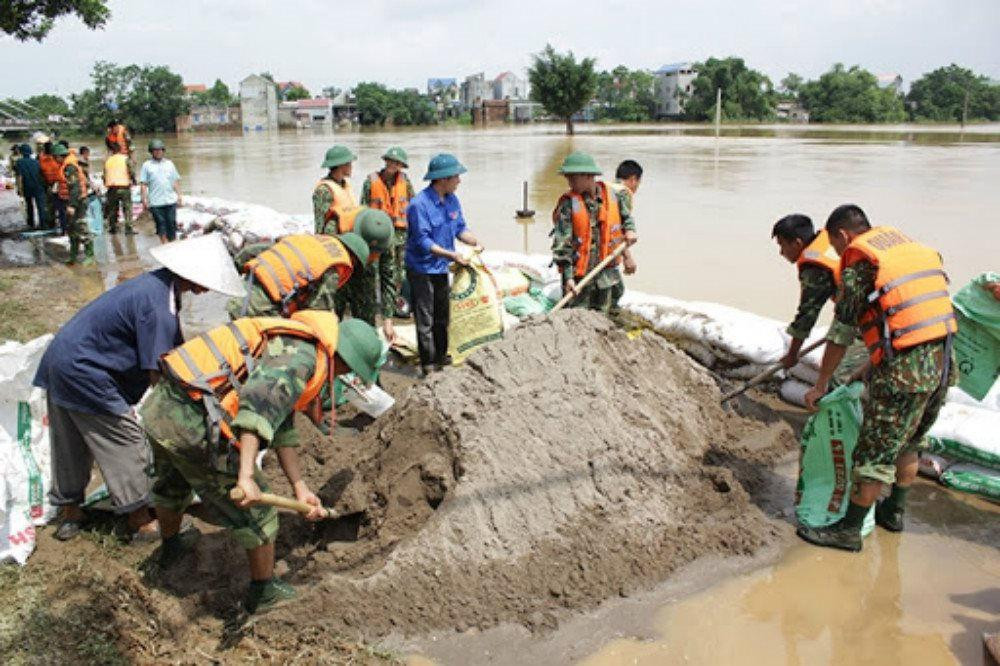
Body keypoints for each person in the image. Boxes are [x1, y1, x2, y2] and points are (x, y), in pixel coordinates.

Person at [141, 313, 382, 613]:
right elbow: (257, 410)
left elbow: (281, 427)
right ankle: (264, 592)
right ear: (344, 360)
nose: (342, 377)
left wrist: (300, 487)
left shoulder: (297, 340)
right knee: (261, 516)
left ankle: (172, 546)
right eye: (347, 370)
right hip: (193, 424)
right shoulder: (301, 360)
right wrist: (245, 476)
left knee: (173, 484)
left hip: (162, 408)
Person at [33, 233, 246, 542]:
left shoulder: (156, 287)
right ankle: (140, 521)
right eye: (207, 281)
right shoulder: (158, 306)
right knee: (127, 442)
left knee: (70, 443)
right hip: (87, 372)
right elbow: (159, 372)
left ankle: (71, 513)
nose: (207, 289)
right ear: (192, 275)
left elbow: (177, 350)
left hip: (60, 361)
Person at [799, 205, 957, 552]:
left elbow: (841, 333)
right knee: (910, 440)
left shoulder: (860, 266)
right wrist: (868, 368)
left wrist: (821, 384)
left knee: (874, 451)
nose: (839, 256)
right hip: (942, 363)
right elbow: (907, 319)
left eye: (838, 248)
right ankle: (894, 512)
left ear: (843, 235)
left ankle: (848, 531)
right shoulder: (909, 250)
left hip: (904, 374)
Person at [405, 153, 483, 375]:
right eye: (456, 176)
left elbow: (459, 228)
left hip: (441, 268)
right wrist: (452, 256)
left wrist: (474, 241)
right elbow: (422, 242)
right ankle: (428, 364)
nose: (459, 181)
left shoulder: (452, 200)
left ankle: (442, 357)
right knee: (426, 317)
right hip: (421, 268)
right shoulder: (419, 205)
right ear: (442, 179)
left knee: (443, 315)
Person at [551, 152, 637, 313]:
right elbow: (562, 245)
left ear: (588, 176)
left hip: (607, 274)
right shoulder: (569, 204)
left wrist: (630, 238)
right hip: (579, 279)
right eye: (567, 177)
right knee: (577, 318)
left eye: (573, 178)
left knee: (608, 316)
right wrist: (568, 278)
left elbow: (625, 222)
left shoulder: (613, 196)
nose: (569, 182)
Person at [225, 231, 370, 319]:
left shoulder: (310, 240)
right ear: (354, 260)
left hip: (241, 293)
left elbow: (252, 250)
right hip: (260, 310)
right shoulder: (335, 266)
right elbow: (317, 310)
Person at [771, 214, 841, 369]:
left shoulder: (814, 268)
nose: (781, 252)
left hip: (871, 316)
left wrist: (792, 355)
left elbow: (807, 315)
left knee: (838, 376)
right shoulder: (829, 243)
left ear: (797, 243)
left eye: (782, 245)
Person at [361, 146, 415, 317]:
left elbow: (414, 207)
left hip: (400, 235)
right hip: (378, 235)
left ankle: (397, 304)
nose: (394, 165)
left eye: (398, 163)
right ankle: (378, 305)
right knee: (377, 271)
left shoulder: (405, 182)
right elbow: (362, 209)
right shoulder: (371, 181)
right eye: (392, 161)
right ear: (385, 161)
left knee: (399, 272)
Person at [333, 209, 396, 341]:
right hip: (338, 274)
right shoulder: (336, 229)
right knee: (331, 328)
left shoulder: (384, 236)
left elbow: (388, 276)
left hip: (365, 275)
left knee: (367, 332)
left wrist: (387, 319)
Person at [609, 159, 643, 312]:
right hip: (607, 249)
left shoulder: (607, 188)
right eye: (638, 182)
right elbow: (618, 228)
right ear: (633, 179)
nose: (637, 187)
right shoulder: (623, 193)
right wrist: (628, 257)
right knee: (616, 290)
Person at [52, 143, 94, 265]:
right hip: (70, 200)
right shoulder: (65, 165)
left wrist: (72, 205)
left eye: (55, 158)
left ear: (60, 156)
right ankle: (73, 255)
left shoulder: (69, 167)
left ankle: (90, 256)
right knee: (71, 229)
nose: (55, 160)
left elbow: (75, 187)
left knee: (81, 227)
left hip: (77, 201)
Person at [140, 139, 182, 243]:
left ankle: (173, 244)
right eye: (156, 150)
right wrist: (144, 199)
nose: (158, 152)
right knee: (161, 225)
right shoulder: (147, 166)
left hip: (170, 200)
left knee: (172, 223)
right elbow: (144, 184)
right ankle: (165, 245)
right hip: (156, 202)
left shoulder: (169, 164)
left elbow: (175, 181)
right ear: (151, 152)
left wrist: (179, 195)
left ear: (163, 151)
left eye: (160, 150)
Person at [313, 145, 360, 236]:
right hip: (336, 238)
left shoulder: (345, 185)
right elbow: (320, 224)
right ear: (341, 166)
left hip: (350, 235)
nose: (351, 167)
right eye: (349, 164)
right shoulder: (324, 190)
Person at [104, 141, 135, 234]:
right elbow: (131, 171)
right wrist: (134, 180)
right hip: (124, 187)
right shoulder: (125, 158)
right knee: (127, 208)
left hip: (112, 188)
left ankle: (113, 227)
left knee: (113, 209)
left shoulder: (108, 161)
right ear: (120, 150)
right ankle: (129, 228)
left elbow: (104, 175)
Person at [13, 144, 47, 229]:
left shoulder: (19, 162)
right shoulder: (36, 162)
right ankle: (43, 225)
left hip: (27, 187)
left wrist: (19, 190)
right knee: (40, 207)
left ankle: (31, 224)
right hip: (38, 186)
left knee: (29, 206)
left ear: (21, 152)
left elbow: (19, 177)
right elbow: (42, 174)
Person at [37, 138, 63, 231]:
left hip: (49, 185)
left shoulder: (41, 159)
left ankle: (51, 223)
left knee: (50, 205)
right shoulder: (56, 158)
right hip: (58, 184)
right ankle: (61, 222)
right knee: (59, 204)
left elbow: (40, 173)